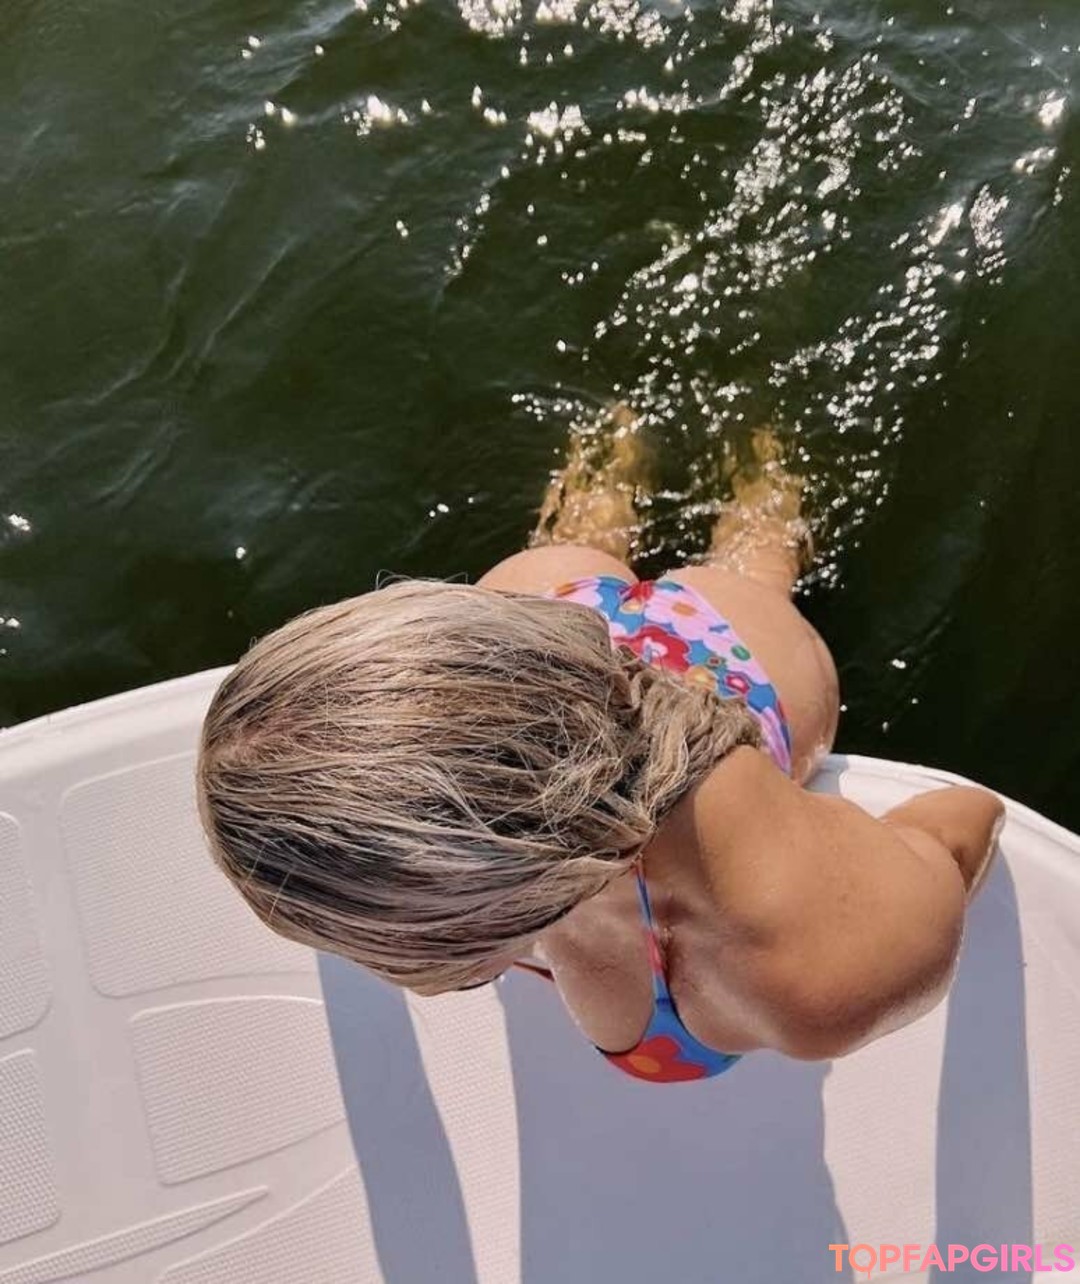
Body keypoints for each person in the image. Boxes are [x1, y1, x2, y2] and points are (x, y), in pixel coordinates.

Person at [197, 416, 1004, 1084]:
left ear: (463, 939)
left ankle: (720, 444)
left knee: (746, 558)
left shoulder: (816, 977)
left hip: (740, 676)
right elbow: (949, 832)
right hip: (554, 617)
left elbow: (963, 821)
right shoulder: (787, 961)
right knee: (719, 556)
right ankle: (688, 444)